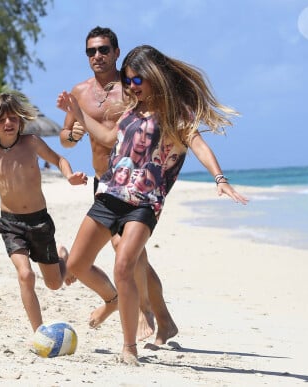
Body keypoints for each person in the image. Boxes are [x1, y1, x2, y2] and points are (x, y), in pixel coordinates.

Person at [57, 44, 249, 364]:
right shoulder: (131, 111)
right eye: (128, 81)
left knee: (125, 265)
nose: (132, 87)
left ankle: (129, 347)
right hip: (109, 195)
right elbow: (106, 139)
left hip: (145, 204)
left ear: (154, 77)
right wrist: (77, 113)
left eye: (136, 81)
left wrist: (220, 179)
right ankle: (117, 300)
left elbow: (198, 145)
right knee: (76, 265)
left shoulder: (177, 114)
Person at [60, 26, 176, 344]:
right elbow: (66, 136)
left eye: (103, 50)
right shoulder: (80, 92)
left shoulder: (133, 87)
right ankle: (160, 319)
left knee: (126, 254)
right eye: (91, 51)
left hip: (139, 183)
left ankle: (142, 314)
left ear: (116, 52)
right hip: (105, 182)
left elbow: (164, 121)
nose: (97, 56)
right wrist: (72, 135)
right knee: (130, 255)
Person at [0, 92, 88, 332]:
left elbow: (59, 159)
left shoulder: (32, 143)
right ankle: (39, 332)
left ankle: (63, 257)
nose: (8, 123)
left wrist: (70, 176)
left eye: (13, 118)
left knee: (54, 284)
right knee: (26, 275)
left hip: (39, 222)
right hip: (11, 225)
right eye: (1, 119)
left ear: (20, 120)